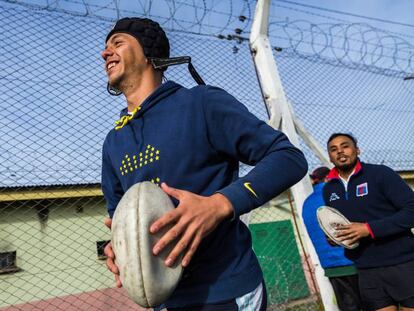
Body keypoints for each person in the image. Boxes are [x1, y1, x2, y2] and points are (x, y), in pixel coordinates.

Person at [100, 17, 308, 310]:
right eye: (105, 47)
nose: (105, 53)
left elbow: (288, 157)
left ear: (148, 53)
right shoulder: (114, 141)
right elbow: (118, 213)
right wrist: (119, 246)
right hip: (166, 300)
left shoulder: (200, 103)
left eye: (117, 43)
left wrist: (219, 204)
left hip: (226, 289)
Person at [323, 132, 414, 311]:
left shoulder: (380, 174)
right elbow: (343, 225)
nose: (340, 151)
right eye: (334, 149)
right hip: (365, 269)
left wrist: (369, 229)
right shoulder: (329, 189)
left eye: (345, 146)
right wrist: (336, 238)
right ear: (330, 156)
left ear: (357, 150)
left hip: (403, 263)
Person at [302, 166, 363, 311]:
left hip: (331, 266)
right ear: (329, 178)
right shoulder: (336, 194)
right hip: (352, 261)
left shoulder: (307, 203)